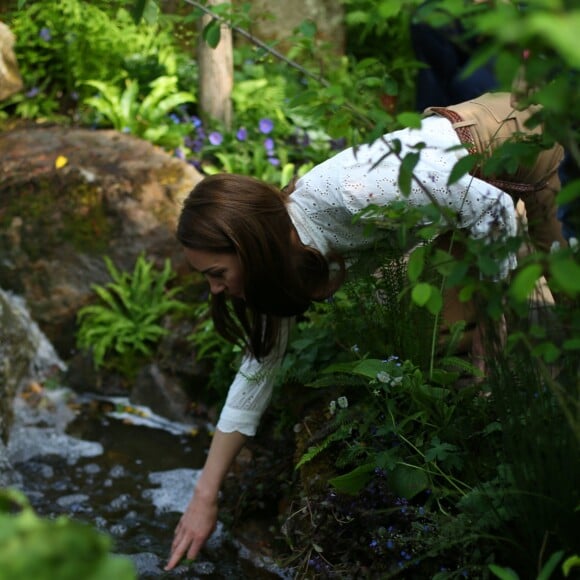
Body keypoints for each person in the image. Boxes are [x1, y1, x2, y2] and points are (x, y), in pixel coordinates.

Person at [165, 91, 564, 570]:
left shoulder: (353, 190)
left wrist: (493, 332)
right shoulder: (283, 261)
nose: (214, 290)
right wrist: (202, 498)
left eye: (216, 273)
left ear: (247, 249)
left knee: (542, 332)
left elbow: (494, 210)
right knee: (475, 347)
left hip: (509, 140)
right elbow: (255, 376)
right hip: (466, 200)